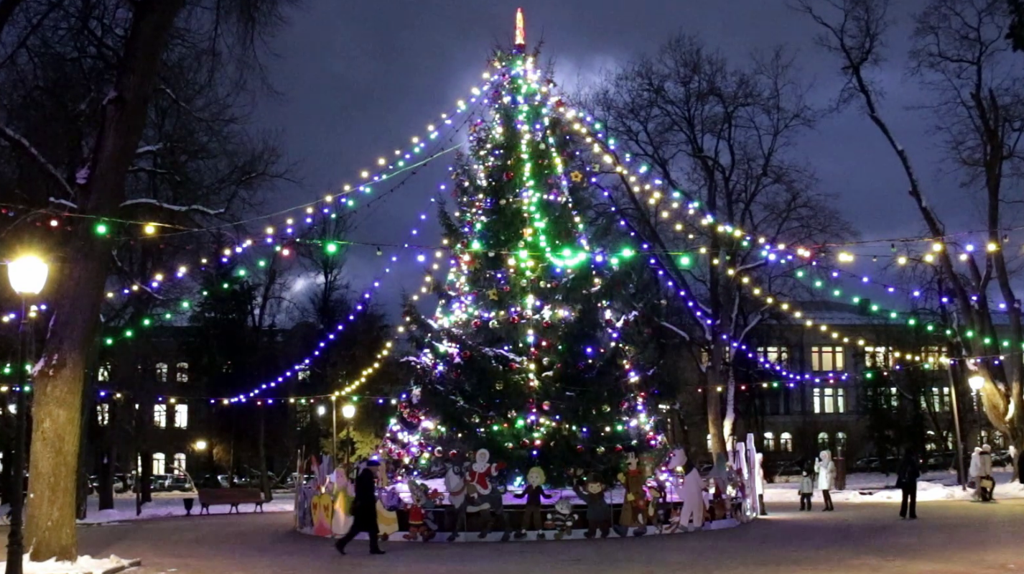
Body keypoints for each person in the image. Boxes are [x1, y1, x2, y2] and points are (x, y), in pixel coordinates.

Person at [335, 461, 385, 556]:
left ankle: (373, 547)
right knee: (361, 528)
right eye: (377, 467)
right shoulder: (367, 476)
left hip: (363, 507)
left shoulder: (363, 475)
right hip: (366, 508)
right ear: (372, 467)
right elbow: (366, 493)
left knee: (369, 528)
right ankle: (341, 543)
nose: (378, 469)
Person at [896, 451, 920, 520]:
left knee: (904, 498)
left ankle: (903, 513)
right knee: (912, 498)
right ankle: (912, 513)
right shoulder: (913, 462)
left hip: (904, 482)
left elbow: (898, 471)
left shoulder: (902, 461)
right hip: (912, 482)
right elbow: (917, 473)